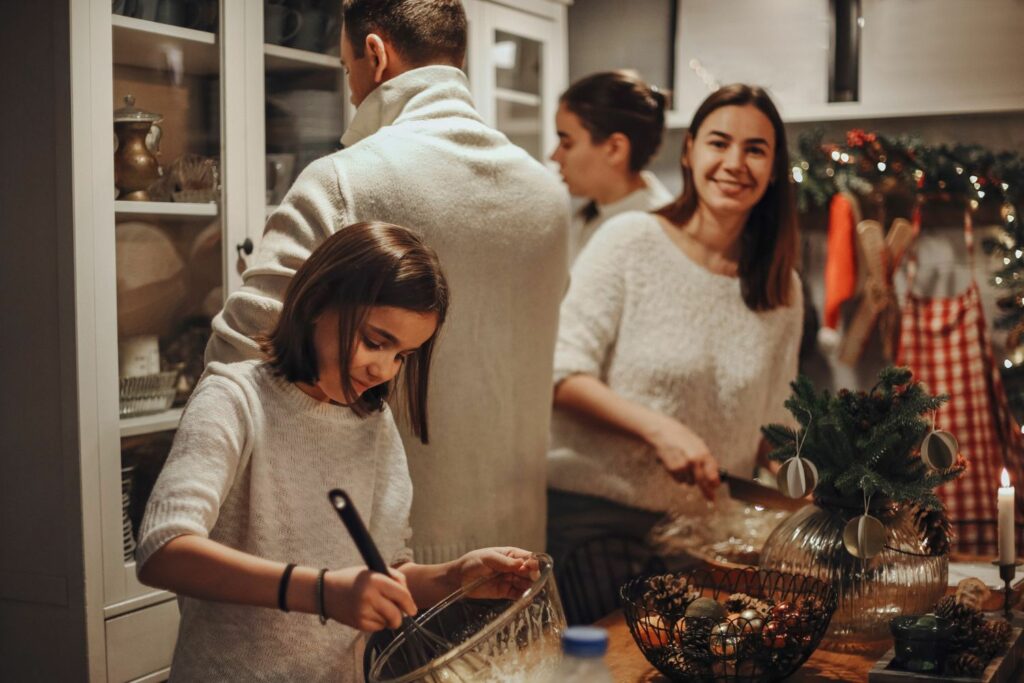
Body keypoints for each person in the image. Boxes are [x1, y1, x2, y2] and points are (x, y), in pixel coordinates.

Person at [205, 0, 568, 563]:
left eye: (347, 67)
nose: (351, 88)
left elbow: (235, 358)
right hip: (519, 550)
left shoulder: (345, 180)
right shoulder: (549, 197)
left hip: (381, 560)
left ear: (375, 55)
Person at [137, 222, 540, 682]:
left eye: (402, 356)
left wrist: (454, 578)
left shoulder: (372, 424)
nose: (384, 370)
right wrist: (322, 592)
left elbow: (381, 573)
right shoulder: (234, 398)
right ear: (316, 303)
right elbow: (162, 550)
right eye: (375, 341)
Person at [546, 84, 803, 569]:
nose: (734, 162)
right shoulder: (629, 241)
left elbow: (777, 429)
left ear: (773, 171)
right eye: (719, 142)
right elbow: (559, 373)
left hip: (705, 540)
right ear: (689, 152)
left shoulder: (781, 289)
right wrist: (658, 430)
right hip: (596, 528)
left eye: (755, 150)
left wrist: (819, 486)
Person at [550, 70, 673, 263]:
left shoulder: (658, 233)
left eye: (567, 144)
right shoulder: (587, 216)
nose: (554, 157)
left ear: (615, 148)